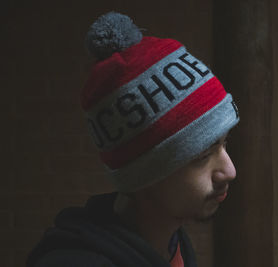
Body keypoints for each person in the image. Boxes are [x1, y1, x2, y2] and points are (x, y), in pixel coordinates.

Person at [26, 11, 240, 267]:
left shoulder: (172, 244)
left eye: (223, 143)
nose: (230, 170)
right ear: (143, 174)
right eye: (202, 156)